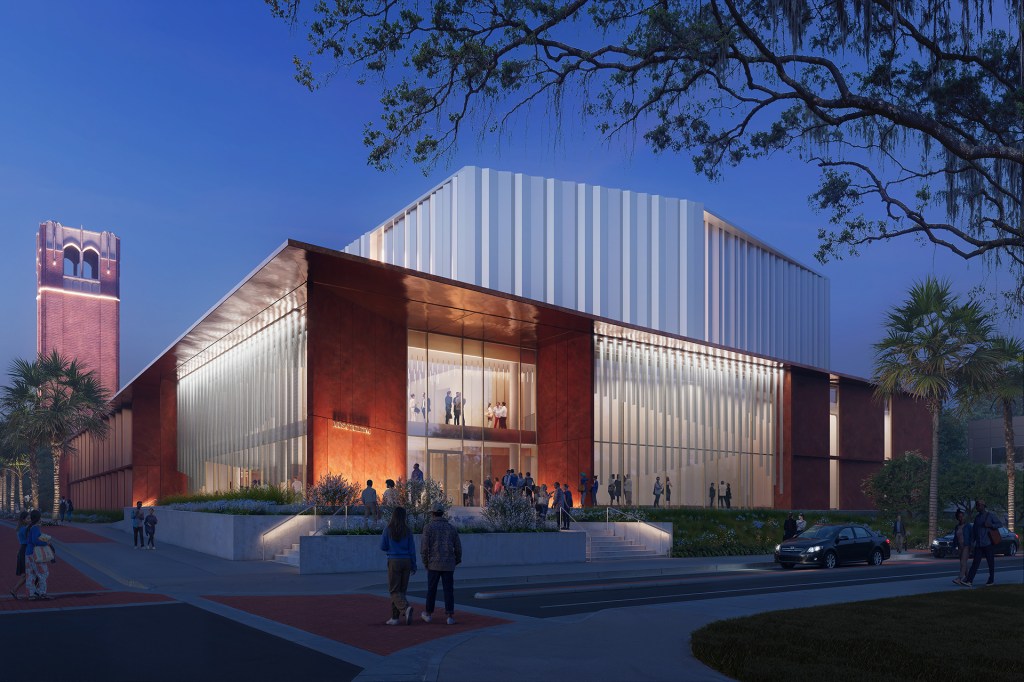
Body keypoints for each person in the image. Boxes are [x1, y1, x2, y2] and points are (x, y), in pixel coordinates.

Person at [421, 502, 461, 625]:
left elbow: (424, 548)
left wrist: (425, 562)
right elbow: (458, 547)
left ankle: (428, 613)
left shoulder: (428, 527)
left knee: (431, 589)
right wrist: (456, 560)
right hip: (448, 563)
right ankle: (450, 615)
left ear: (432, 513)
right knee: (448, 590)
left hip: (433, 563)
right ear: (443, 513)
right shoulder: (451, 527)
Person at [380, 506, 417, 625]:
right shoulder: (407, 530)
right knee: (401, 590)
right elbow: (412, 549)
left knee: (394, 590)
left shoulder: (388, 529)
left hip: (394, 560)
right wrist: (414, 564)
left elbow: (383, 546)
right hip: (406, 560)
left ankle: (406, 608)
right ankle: (395, 617)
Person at [963, 499, 1002, 587]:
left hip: (988, 544)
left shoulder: (990, 515)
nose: (977, 507)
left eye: (978, 505)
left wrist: (991, 525)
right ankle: (969, 581)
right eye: (976, 505)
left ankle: (991, 580)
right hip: (979, 545)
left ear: (983, 506)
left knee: (990, 563)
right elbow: (974, 531)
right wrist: (972, 542)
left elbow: (1000, 524)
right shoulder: (977, 518)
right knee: (975, 563)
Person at [24, 510, 52, 600]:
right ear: (38, 518)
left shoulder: (29, 527)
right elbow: (35, 541)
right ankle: (42, 592)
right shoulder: (35, 528)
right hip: (35, 554)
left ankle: (31, 593)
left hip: (28, 553)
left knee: (30, 573)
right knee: (43, 572)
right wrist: (45, 542)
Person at [10, 511, 29, 600]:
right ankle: (14, 590)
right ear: (23, 519)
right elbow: (30, 540)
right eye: (28, 518)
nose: (29, 520)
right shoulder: (24, 529)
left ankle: (16, 590)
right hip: (25, 550)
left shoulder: (20, 528)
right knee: (26, 574)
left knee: (26, 574)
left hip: (22, 549)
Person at [951, 509, 972, 586]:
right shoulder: (957, 527)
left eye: (962, 516)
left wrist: (972, 545)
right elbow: (955, 538)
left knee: (963, 562)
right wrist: (953, 547)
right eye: (959, 517)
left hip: (966, 545)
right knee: (963, 563)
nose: (961, 518)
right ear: (957, 518)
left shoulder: (968, 526)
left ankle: (959, 578)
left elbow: (972, 536)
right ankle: (968, 579)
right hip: (960, 546)